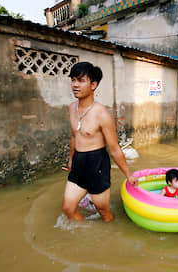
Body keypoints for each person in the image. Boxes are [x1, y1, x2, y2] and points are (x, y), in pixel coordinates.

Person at [62, 61, 138, 222]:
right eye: (73, 80)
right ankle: (84, 237)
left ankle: (109, 237)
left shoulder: (102, 114)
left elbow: (115, 148)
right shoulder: (71, 108)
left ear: (93, 85)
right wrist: (70, 158)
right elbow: (74, 136)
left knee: (102, 210)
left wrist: (128, 174)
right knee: (68, 208)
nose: (75, 85)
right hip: (78, 163)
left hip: (97, 164)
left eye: (81, 81)